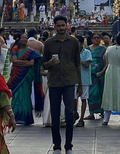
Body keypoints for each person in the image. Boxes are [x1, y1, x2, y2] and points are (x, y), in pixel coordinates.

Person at [43, 15, 82, 154]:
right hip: (54, 82)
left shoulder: (73, 42)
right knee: (55, 114)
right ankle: (57, 146)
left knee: (70, 114)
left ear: (67, 26)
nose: (60, 28)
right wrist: (49, 63)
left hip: (69, 81)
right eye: (58, 25)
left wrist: (80, 84)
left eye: (62, 25)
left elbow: (77, 63)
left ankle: (69, 145)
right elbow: (43, 64)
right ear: (54, 26)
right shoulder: (48, 43)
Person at [8, 33, 41, 125]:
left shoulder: (31, 51)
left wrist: (18, 63)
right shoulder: (15, 49)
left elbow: (31, 64)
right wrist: (24, 62)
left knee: (26, 95)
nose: (24, 39)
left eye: (26, 38)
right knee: (16, 95)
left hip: (26, 76)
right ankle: (15, 116)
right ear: (19, 39)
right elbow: (13, 60)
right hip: (16, 75)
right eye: (22, 38)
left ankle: (26, 117)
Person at [85, 32, 106, 120]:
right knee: (91, 94)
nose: (96, 39)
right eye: (94, 38)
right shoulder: (87, 49)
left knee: (100, 92)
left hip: (100, 74)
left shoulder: (103, 49)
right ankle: (91, 112)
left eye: (98, 37)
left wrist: (102, 71)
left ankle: (102, 111)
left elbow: (106, 62)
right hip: (89, 73)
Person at [75, 35, 92, 127]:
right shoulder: (71, 53)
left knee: (84, 98)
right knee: (73, 98)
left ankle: (81, 118)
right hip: (73, 78)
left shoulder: (87, 52)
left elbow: (86, 65)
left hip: (84, 79)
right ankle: (74, 114)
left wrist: (79, 61)